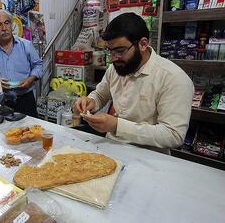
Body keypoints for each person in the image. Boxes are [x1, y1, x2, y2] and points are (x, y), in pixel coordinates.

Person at [74, 13, 194, 149]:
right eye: (110, 51)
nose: (113, 59)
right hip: (110, 147)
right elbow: (101, 94)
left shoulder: (173, 78)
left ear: (143, 44)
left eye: (120, 51)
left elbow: (174, 135)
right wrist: (90, 102)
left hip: (149, 159)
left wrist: (117, 126)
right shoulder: (117, 67)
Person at [0, 10, 43, 117]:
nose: (4, 28)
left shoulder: (26, 45)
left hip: (26, 101)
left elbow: (38, 65)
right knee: (2, 133)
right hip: (1, 102)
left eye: (7, 23)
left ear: (11, 25)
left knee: (30, 132)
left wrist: (31, 78)